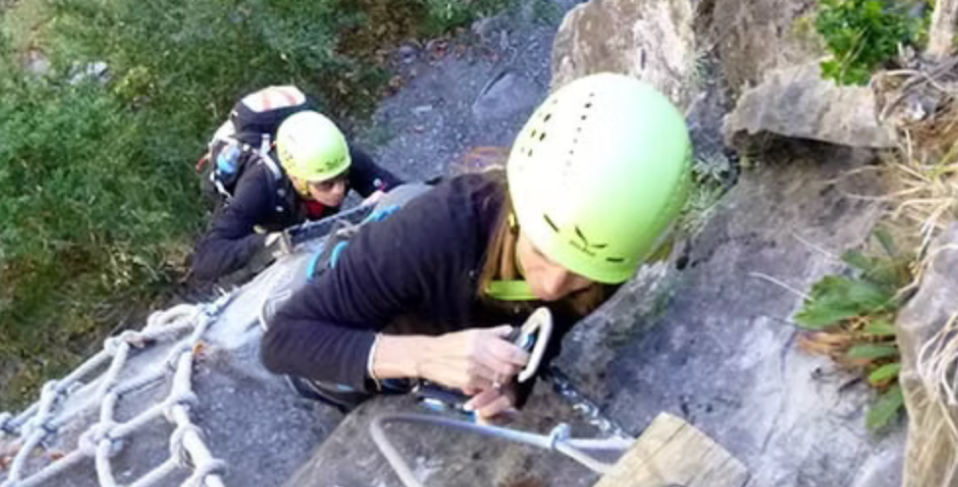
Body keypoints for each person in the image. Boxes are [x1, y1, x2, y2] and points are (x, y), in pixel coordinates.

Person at [259, 73, 691, 420]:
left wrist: (517, 379)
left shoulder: (611, 245)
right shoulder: (436, 232)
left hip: (435, 330)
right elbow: (284, 341)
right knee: (345, 395)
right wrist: (425, 357)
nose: (554, 286)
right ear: (519, 210)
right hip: (363, 327)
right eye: (541, 252)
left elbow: (552, 321)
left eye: (581, 274)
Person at [190, 96, 403, 283]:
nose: (338, 191)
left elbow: (407, 191)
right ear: (296, 177)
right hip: (271, 217)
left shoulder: (340, 158)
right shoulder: (259, 185)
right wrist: (270, 244)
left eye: (344, 179)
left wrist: (388, 199)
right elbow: (206, 259)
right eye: (326, 184)